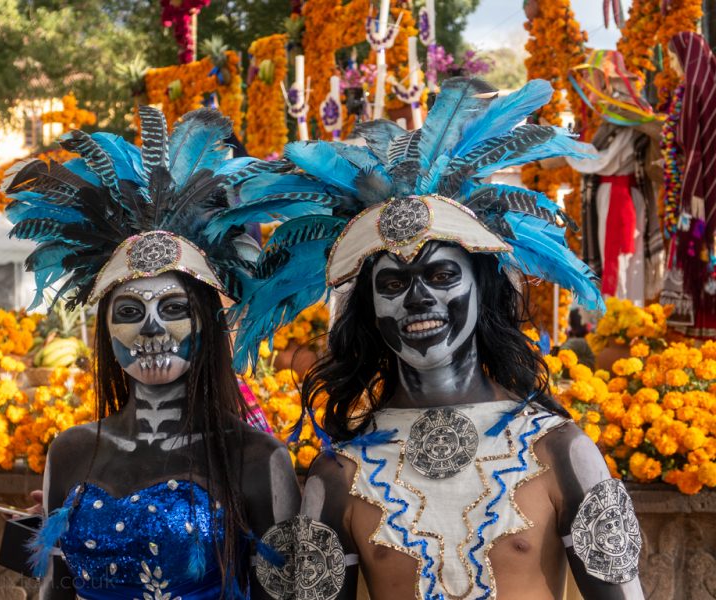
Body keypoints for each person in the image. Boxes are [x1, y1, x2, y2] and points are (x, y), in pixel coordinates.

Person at [217, 78, 644, 599]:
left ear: (482, 293)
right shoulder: (338, 473)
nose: (419, 299)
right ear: (370, 312)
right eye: (393, 284)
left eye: (442, 276)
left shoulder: (561, 450)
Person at [3, 107, 300, 599]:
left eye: (175, 306)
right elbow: (56, 590)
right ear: (106, 333)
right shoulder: (71, 452)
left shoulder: (256, 459)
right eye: (129, 311)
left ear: (208, 319)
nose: (152, 328)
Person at [567, 50, 665, 304]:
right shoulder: (610, 112)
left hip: (620, 196)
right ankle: (616, 325)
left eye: (592, 74)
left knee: (622, 260)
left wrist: (567, 149)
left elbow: (604, 160)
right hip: (613, 195)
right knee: (619, 259)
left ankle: (622, 323)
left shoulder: (623, 112)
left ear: (604, 77)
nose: (588, 79)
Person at [662, 32, 716, 337]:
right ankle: (695, 342)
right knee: (694, 249)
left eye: (672, 58)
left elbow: (697, 143)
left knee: (702, 250)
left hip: (703, 188)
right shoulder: (687, 90)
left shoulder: (700, 89)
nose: (670, 65)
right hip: (692, 187)